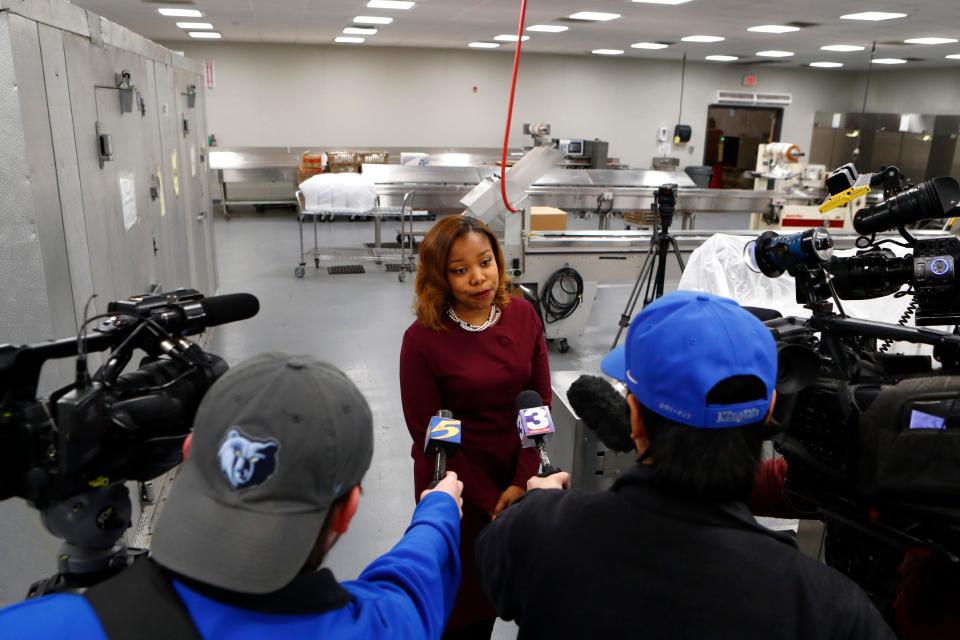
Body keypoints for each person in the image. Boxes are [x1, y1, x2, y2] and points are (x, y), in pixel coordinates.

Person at [475, 291, 895, 639]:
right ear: (771, 407)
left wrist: (538, 506)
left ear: (634, 417)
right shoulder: (830, 609)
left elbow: (494, 576)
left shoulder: (537, 532)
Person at [0, 353, 464, 639]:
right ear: (348, 511)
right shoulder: (389, 626)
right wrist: (438, 511)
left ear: (187, 452)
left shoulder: (35, 627)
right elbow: (410, 578)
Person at [399, 215, 551, 638]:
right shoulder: (423, 340)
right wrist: (487, 500)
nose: (478, 278)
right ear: (439, 277)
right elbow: (429, 434)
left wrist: (522, 481)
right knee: (467, 607)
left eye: (485, 262)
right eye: (460, 270)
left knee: (529, 593)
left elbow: (538, 401)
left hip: (518, 474)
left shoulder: (523, 315)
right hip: (456, 485)